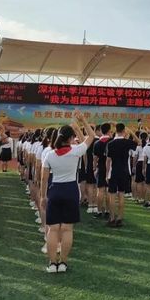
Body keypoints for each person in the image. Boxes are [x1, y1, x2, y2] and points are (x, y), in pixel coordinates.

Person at [40, 111, 96, 273]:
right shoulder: (76, 151)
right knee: (67, 229)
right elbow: (91, 136)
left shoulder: (49, 154)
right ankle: (63, 263)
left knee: (53, 229)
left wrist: (43, 196)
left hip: (55, 190)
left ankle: (52, 264)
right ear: (71, 138)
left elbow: (44, 179)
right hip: (71, 190)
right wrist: (83, 120)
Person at [105, 123, 140, 227]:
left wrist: (107, 174)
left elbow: (108, 160)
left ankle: (112, 218)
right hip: (124, 171)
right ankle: (119, 218)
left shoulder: (110, 143)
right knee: (121, 195)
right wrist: (131, 131)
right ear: (124, 131)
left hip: (114, 171)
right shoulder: (127, 142)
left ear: (115, 130)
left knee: (112, 195)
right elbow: (138, 141)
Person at [92, 123, 112, 218]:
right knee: (108, 190)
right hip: (110, 168)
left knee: (100, 190)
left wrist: (94, 167)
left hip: (101, 167)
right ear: (109, 131)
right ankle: (108, 211)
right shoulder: (112, 141)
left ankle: (99, 211)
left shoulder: (97, 143)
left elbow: (95, 158)